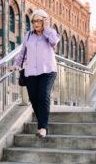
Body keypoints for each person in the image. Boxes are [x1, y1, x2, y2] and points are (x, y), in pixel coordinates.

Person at [9, 9, 60, 138]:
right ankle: (42, 122)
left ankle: (43, 127)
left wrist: (47, 29)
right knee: (33, 98)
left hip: (48, 70)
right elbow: (22, 53)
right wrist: (15, 66)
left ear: (44, 21)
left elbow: (54, 42)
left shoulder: (50, 33)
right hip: (31, 71)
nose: (36, 24)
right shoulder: (28, 35)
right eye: (34, 21)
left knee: (43, 96)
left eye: (39, 21)